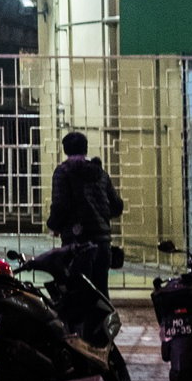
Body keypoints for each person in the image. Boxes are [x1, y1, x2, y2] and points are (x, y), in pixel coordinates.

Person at [46, 129, 124, 344]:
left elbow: (60, 205)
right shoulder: (100, 172)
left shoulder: (63, 172)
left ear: (65, 150)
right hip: (102, 240)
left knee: (77, 292)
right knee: (101, 291)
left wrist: (53, 225)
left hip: (77, 243)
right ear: (85, 148)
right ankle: (103, 339)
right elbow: (116, 205)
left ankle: (78, 340)